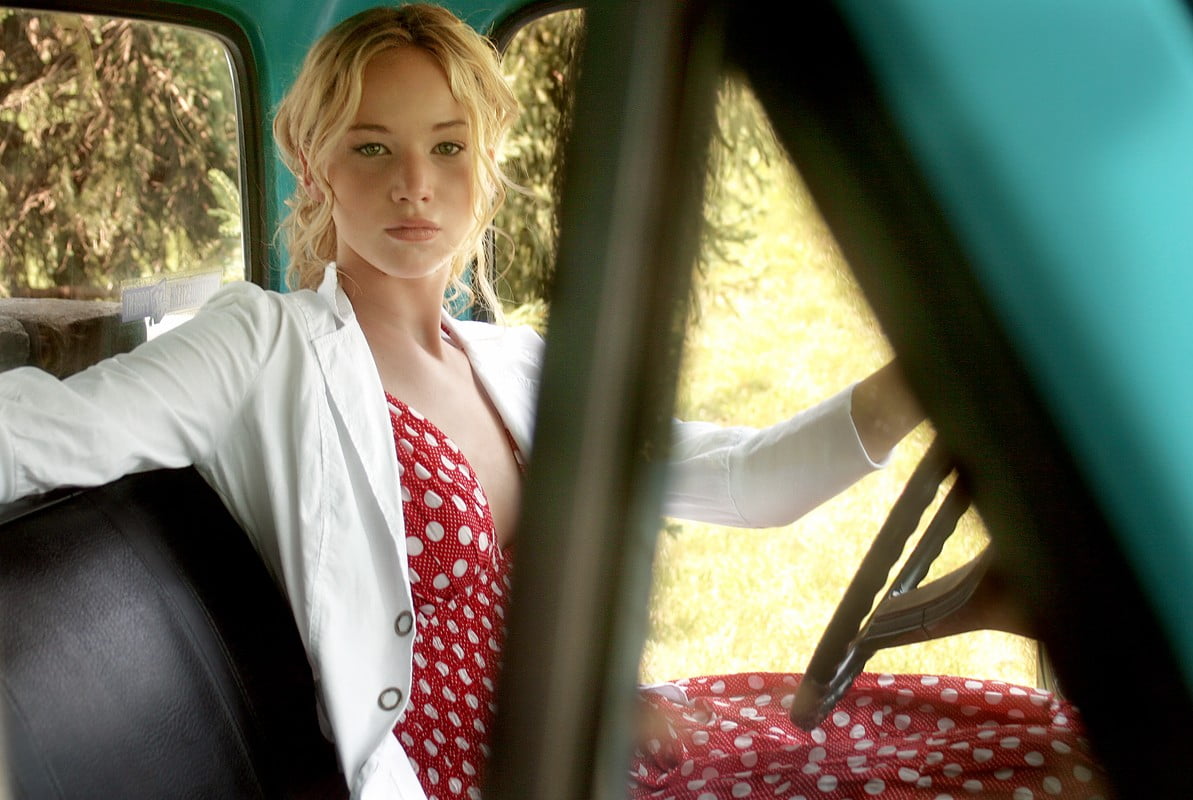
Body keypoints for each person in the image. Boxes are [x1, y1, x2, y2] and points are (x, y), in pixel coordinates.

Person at [0, 4, 1106, 799]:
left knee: (1045, 741)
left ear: (484, 169)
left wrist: (934, 373)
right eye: (372, 148)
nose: (414, 184)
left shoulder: (514, 362)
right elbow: (37, 433)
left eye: (448, 147)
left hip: (598, 749)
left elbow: (748, 481)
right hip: (467, 777)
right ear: (315, 165)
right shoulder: (264, 344)